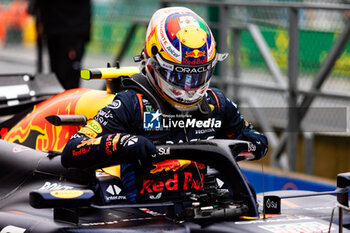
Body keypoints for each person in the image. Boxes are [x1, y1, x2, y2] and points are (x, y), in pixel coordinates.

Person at [61, 7, 268, 203]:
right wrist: (122, 142)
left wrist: (253, 144)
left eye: (198, 75)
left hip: (202, 211)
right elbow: (72, 150)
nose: (190, 87)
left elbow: (253, 138)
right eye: (179, 75)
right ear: (153, 63)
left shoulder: (217, 104)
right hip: (143, 216)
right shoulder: (132, 105)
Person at [27, 0, 91, 89]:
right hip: (56, 26)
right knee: (57, 76)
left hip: (71, 28)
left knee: (68, 77)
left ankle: (68, 100)